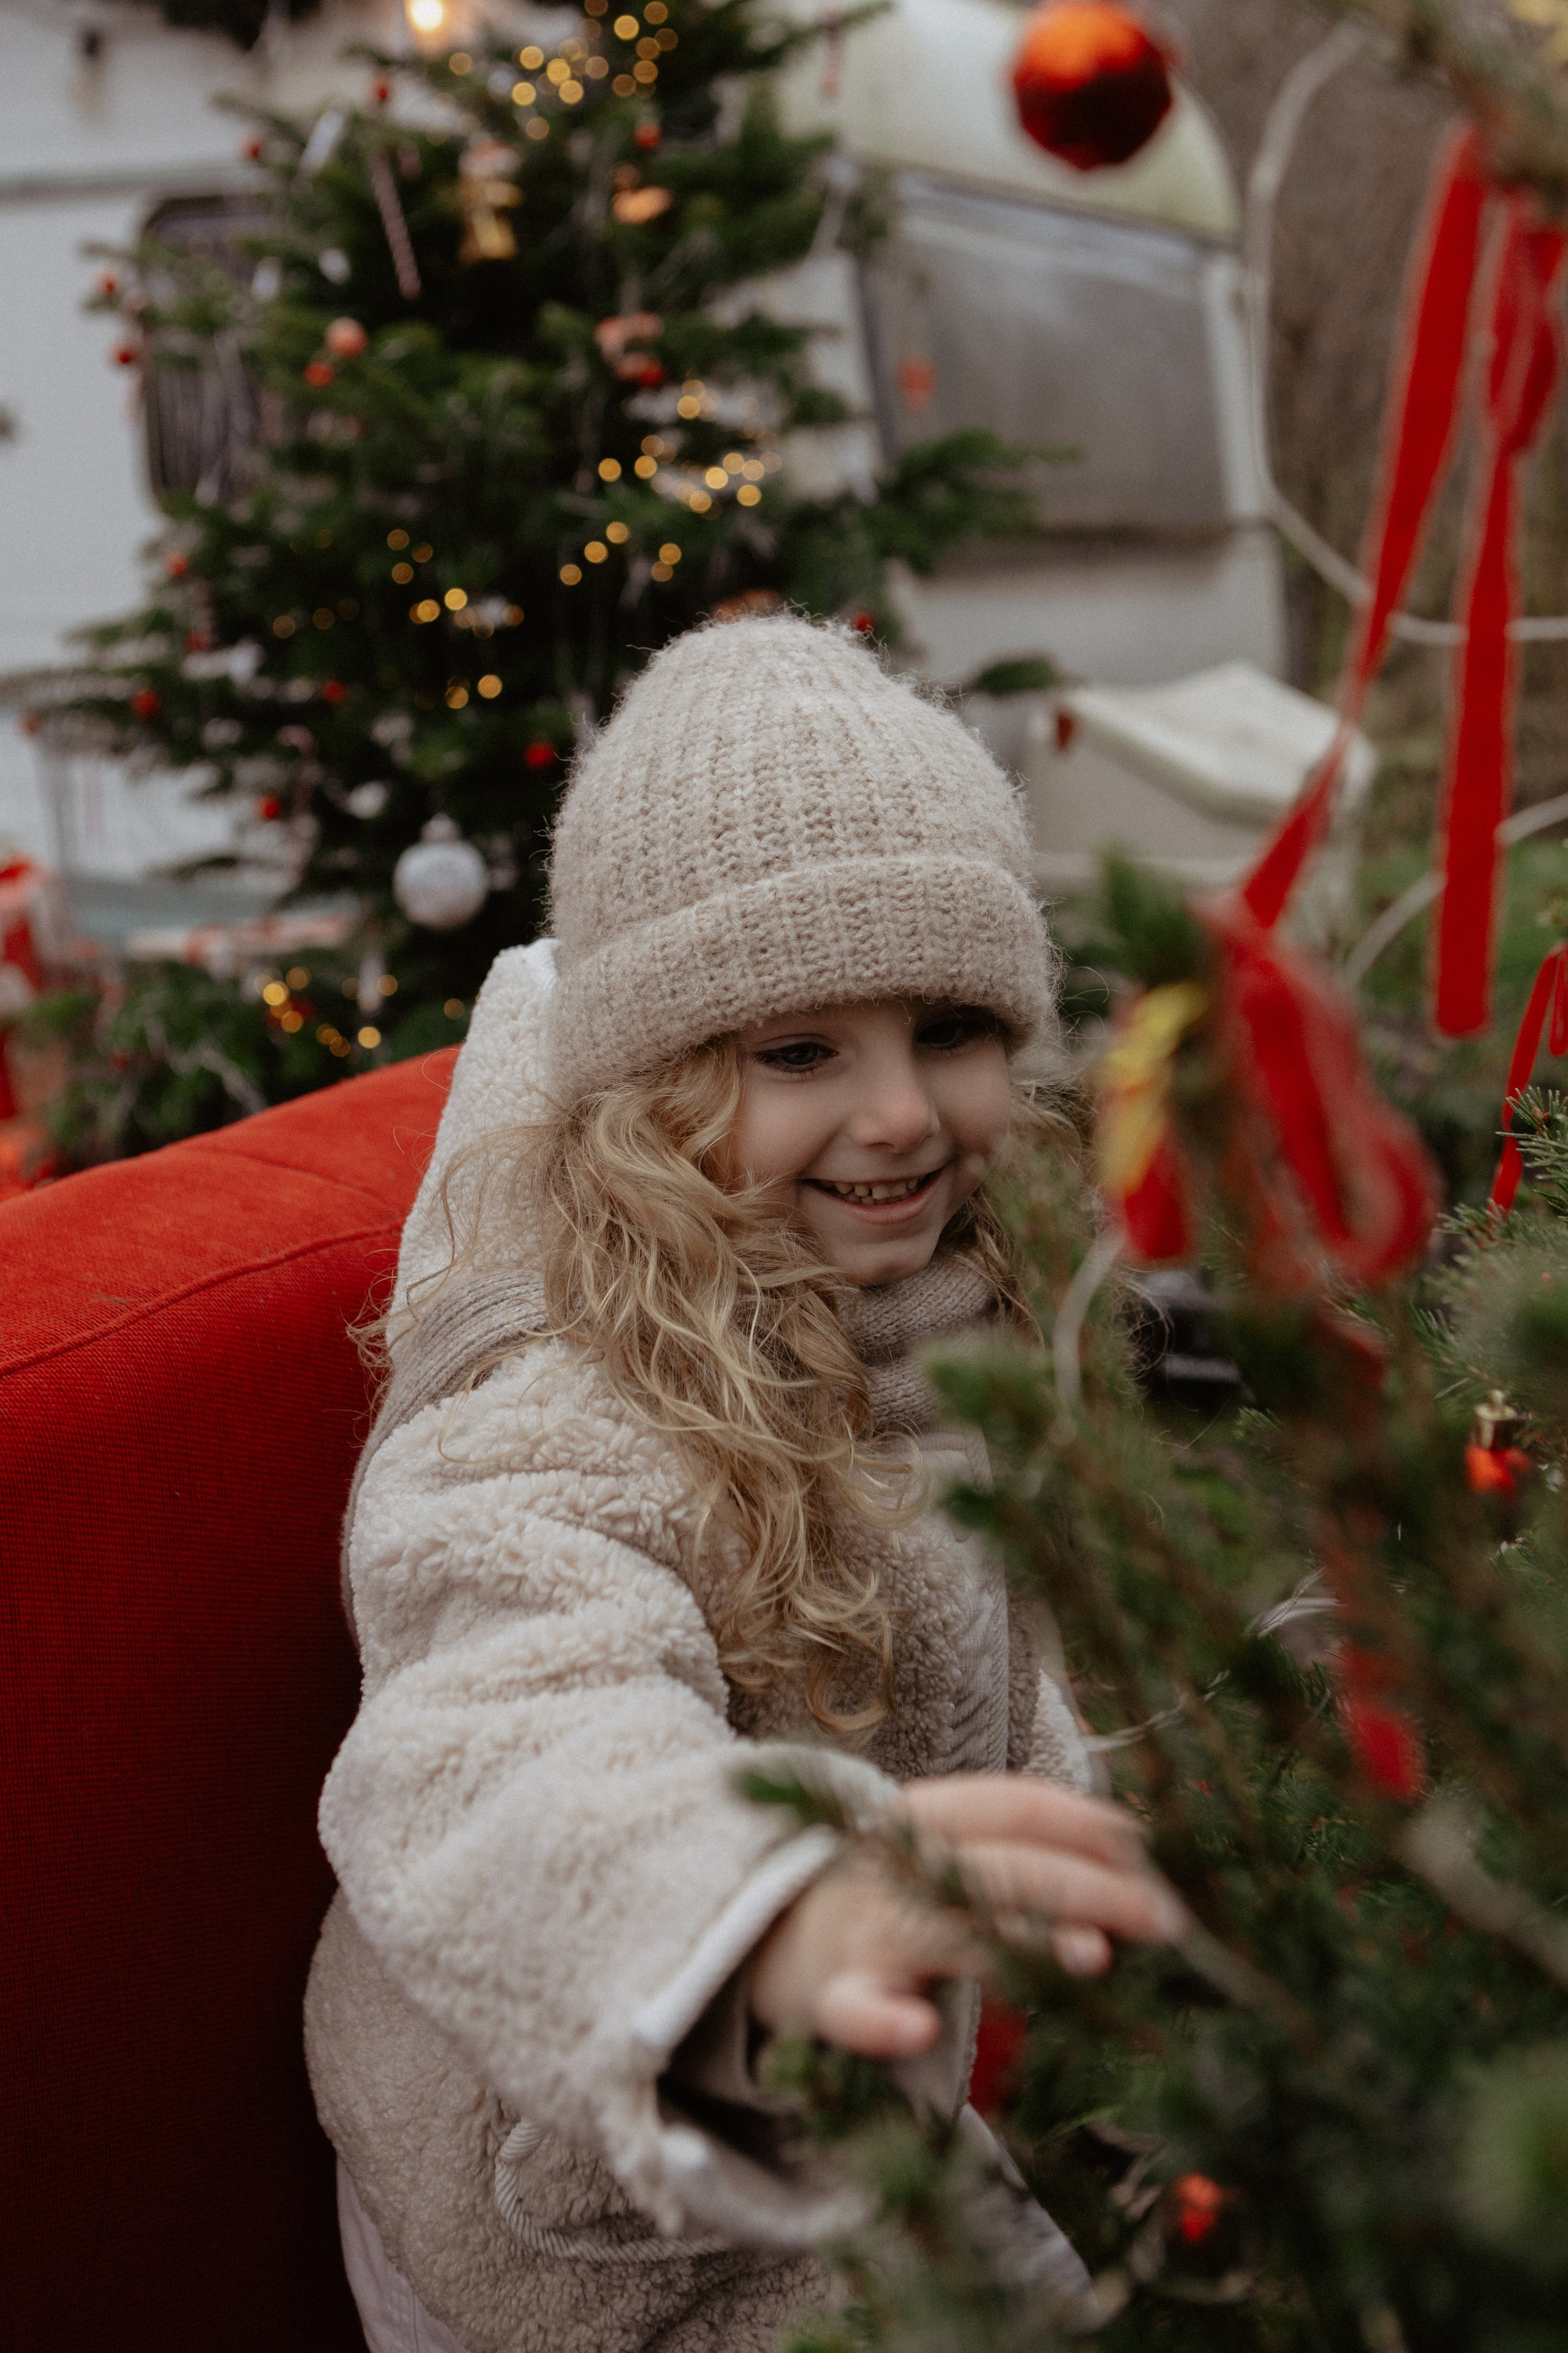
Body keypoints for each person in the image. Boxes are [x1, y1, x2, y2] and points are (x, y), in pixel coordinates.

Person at [305, 614, 1185, 2353]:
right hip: (580, 2214)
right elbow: (498, 1737)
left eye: (949, 1027)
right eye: (801, 1052)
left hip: (856, 2094)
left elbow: (1002, 1658)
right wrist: (761, 1910)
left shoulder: (940, 1313)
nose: (900, 1115)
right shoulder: (561, 1389)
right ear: (658, 1087)